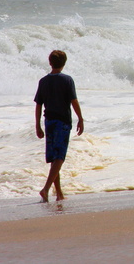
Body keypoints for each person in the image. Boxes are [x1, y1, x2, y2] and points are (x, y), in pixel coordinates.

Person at [34, 50, 84, 202]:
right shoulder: (67, 80)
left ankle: (59, 194)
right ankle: (46, 189)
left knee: (55, 158)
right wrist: (81, 118)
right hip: (62, 122)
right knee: (59, 158)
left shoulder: (43, 81)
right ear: (64, 63)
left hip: (48, 122)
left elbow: (38, 105)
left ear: (50, 62)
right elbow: (73, 101)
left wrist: (38, 125)